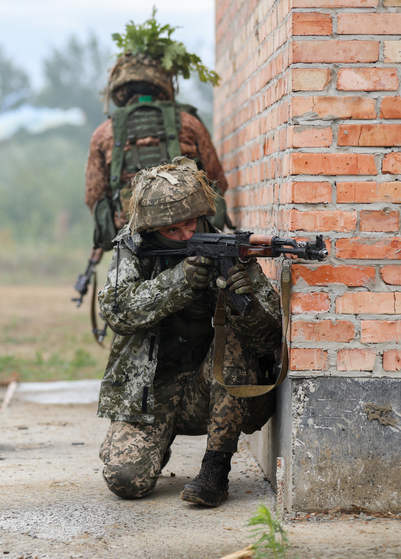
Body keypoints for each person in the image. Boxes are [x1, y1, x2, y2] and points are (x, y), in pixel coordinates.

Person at [96, 157, 282, 507]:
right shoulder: (134, 249)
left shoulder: (229, 249)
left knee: (235, 340)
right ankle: (155, 441)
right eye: (173, 231)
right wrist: (177, 282)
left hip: (212, 387)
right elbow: (117, 311)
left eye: (192, 223)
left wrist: (246, 306)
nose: (187, 235)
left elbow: (271, 338)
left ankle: (215, 471)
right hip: (151, 392)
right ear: (152, 229)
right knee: (127, 480)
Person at [85, 19, 230, 253]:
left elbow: (94, 195)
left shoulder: (103, 133)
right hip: (190, 238)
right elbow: (216, 180)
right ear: (164, 82)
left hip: (133, 241)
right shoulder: (190, 123)